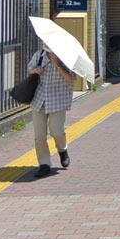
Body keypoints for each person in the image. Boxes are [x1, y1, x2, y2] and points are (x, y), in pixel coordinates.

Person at [28, 45, 77, 178]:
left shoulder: (65, 56)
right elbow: (29, 70)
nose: (47, 45)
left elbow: (71, 78)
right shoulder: (39, 55)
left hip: (58, 100)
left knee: (56, 131)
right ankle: (44, 164)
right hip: (39, 99)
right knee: (39, 135)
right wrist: (36, 71)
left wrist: (58, 64)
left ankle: (63, 150)